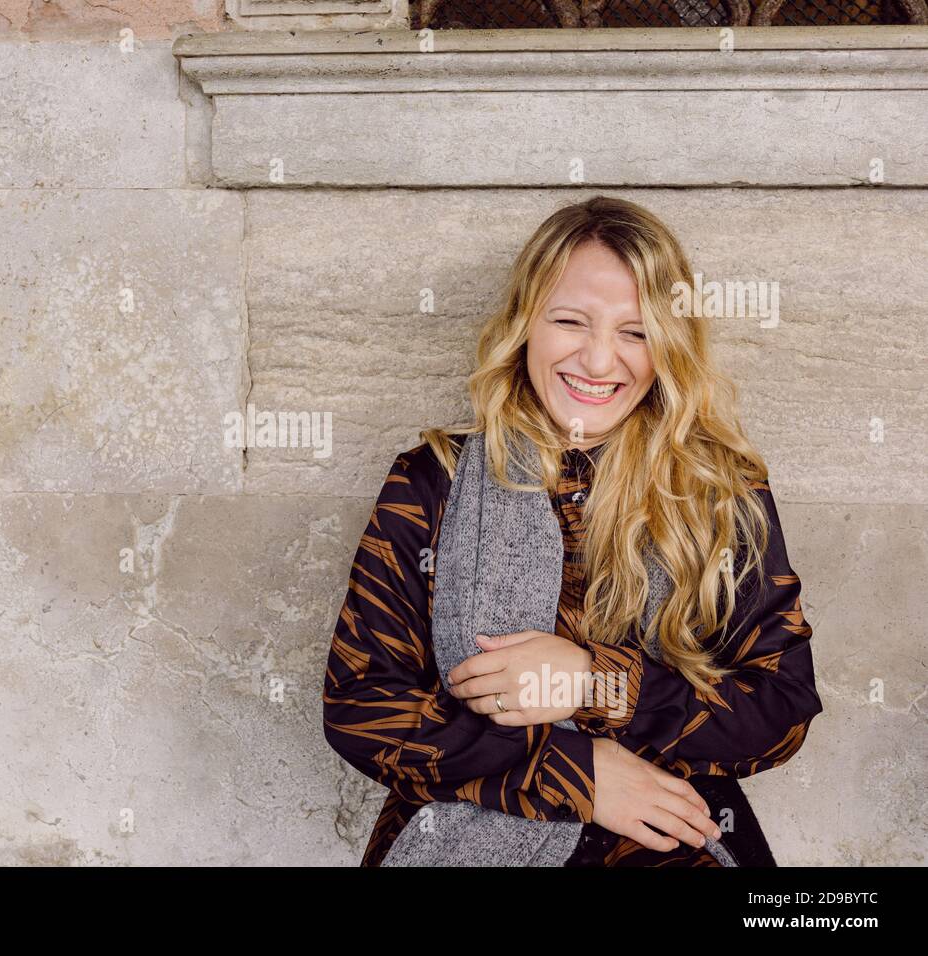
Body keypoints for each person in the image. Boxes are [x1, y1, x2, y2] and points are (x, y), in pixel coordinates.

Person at [322, 195, 823, 867]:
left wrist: (595, 683)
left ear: (668, 346)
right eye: (569, 321)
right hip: (462, 833)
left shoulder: (721, 491)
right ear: (524, 323)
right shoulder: (430, 482)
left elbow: (781, 712)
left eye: (635, 332)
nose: (598, 360)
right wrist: (577, 772)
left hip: (671, 842)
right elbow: (361, 706)